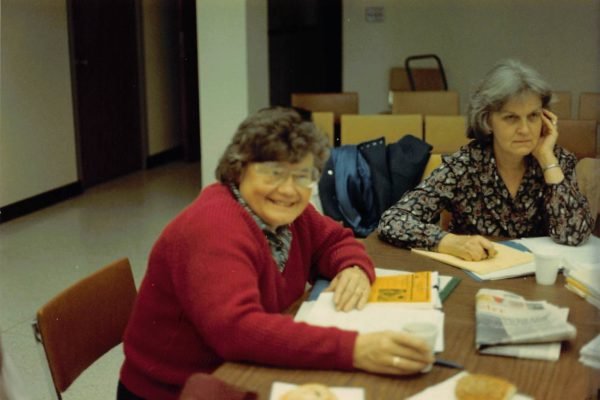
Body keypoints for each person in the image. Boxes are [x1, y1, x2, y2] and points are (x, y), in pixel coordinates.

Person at [118, 107, 433, 400]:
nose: (288, 190)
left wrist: (352, 266)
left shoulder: (288, 213)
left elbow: (335, 240)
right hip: (177, 390)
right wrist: (357, 349)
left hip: (239, 372)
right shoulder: (214, 226)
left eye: (302, 176)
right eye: (273, 173)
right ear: (239, 170)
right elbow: (237, 330)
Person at [378, 59, 593, 261]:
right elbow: (393, 220)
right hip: (477, 278)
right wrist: (448, 241)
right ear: (487, 120)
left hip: (536, 281)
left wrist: (547, 159)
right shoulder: (464, 165)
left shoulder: (557, 161)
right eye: (511, 118)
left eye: (533, 116)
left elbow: (573, 235)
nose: (525, 130)